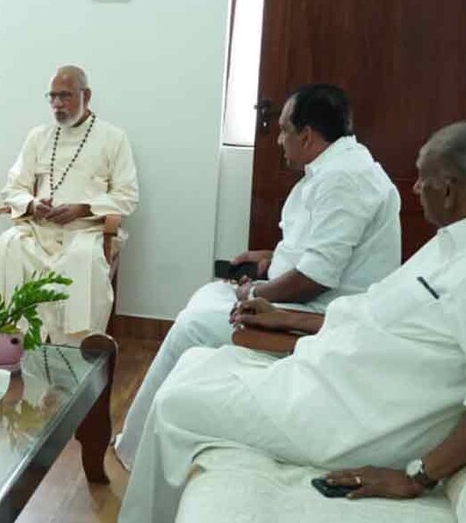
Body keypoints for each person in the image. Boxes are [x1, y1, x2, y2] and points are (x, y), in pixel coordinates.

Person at [118, 121, 466, 523]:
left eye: (421, 179)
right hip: (330, 379)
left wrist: (416, 477)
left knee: (176, 404)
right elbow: (372, 310)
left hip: (351, 417)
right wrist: (287, 318)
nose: (413, 189)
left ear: (449, 190)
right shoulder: (456, 240)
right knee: (193, 364)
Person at [115, 83, 401, 467]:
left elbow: (314, 278)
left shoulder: (343, 180)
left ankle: (135, 452)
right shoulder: (342, 167)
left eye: (283, 130)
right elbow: (320, 251)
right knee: (207, 297)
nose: (278, 139)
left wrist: (256, 294)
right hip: (306, 297)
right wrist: (270, 257)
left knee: (193, 326)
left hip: (321, 316)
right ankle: (146, 439)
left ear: (307, 136)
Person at [0, 65, 138, 345]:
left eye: (65, 96)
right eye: (52, 97)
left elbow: (127, 195)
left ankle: (76, 350)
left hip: (86, 232)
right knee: (1, 251)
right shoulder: (37, 136)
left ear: (86, 96)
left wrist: (84, 208)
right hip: (38, 230)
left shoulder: (114, 138)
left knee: (83, 261)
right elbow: (13, 187)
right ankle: (8, 340)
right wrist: (32, 204)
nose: (57, 104)